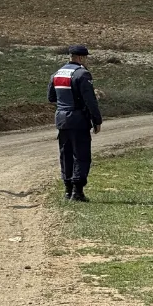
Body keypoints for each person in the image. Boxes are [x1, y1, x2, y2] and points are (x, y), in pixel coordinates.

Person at [48, 45, 103, 202]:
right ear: (81, 58)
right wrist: (96, 120)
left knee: (65, 155)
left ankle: (67, 190)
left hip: (62, 120)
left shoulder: (57, 74)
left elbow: (51, 97)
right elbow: (90, 101)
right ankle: (77, 192)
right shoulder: (82, 74)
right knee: (81, 155)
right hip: (78, 119)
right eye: (86, 58)